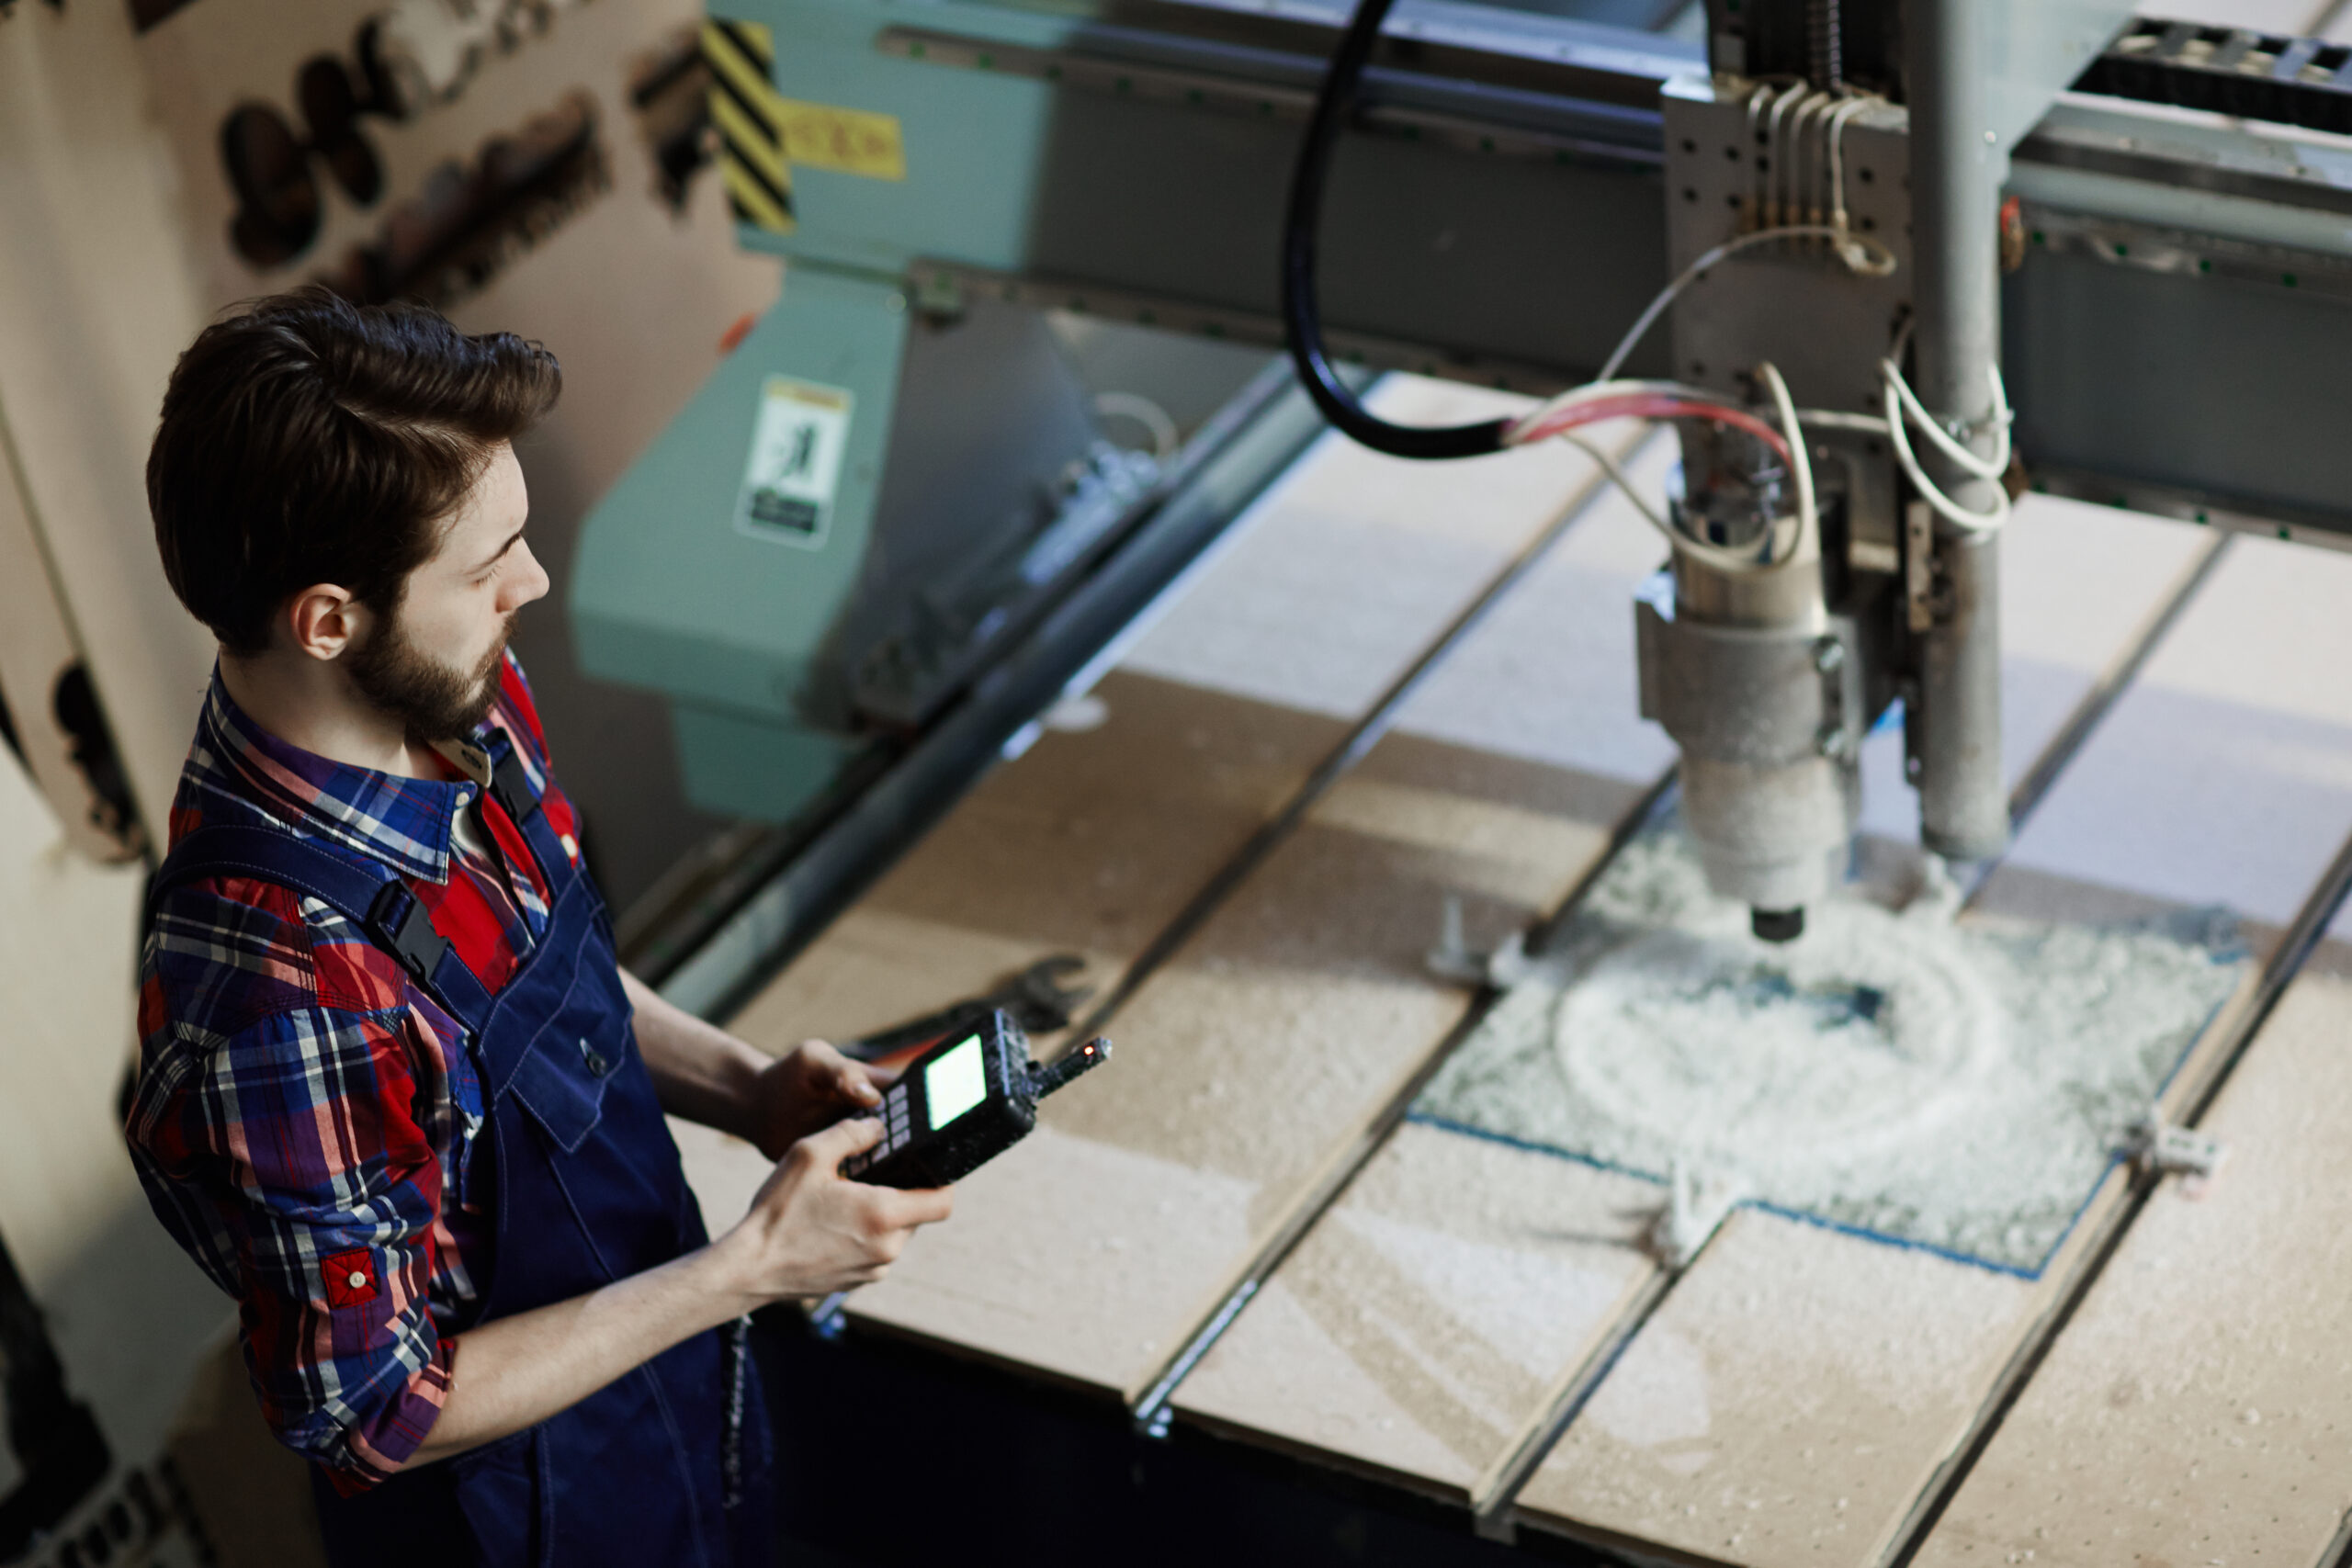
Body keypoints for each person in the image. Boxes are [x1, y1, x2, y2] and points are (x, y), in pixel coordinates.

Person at [124, 288, 952, 1568]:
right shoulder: (273, 987)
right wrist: (747, 1268)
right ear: (329, 619)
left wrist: (747, 1086)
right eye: (487, 562)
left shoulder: (457, 691)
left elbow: (529, 969)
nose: (535, 579)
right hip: (514, 1522)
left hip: (669, 1398)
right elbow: (373, 1412)